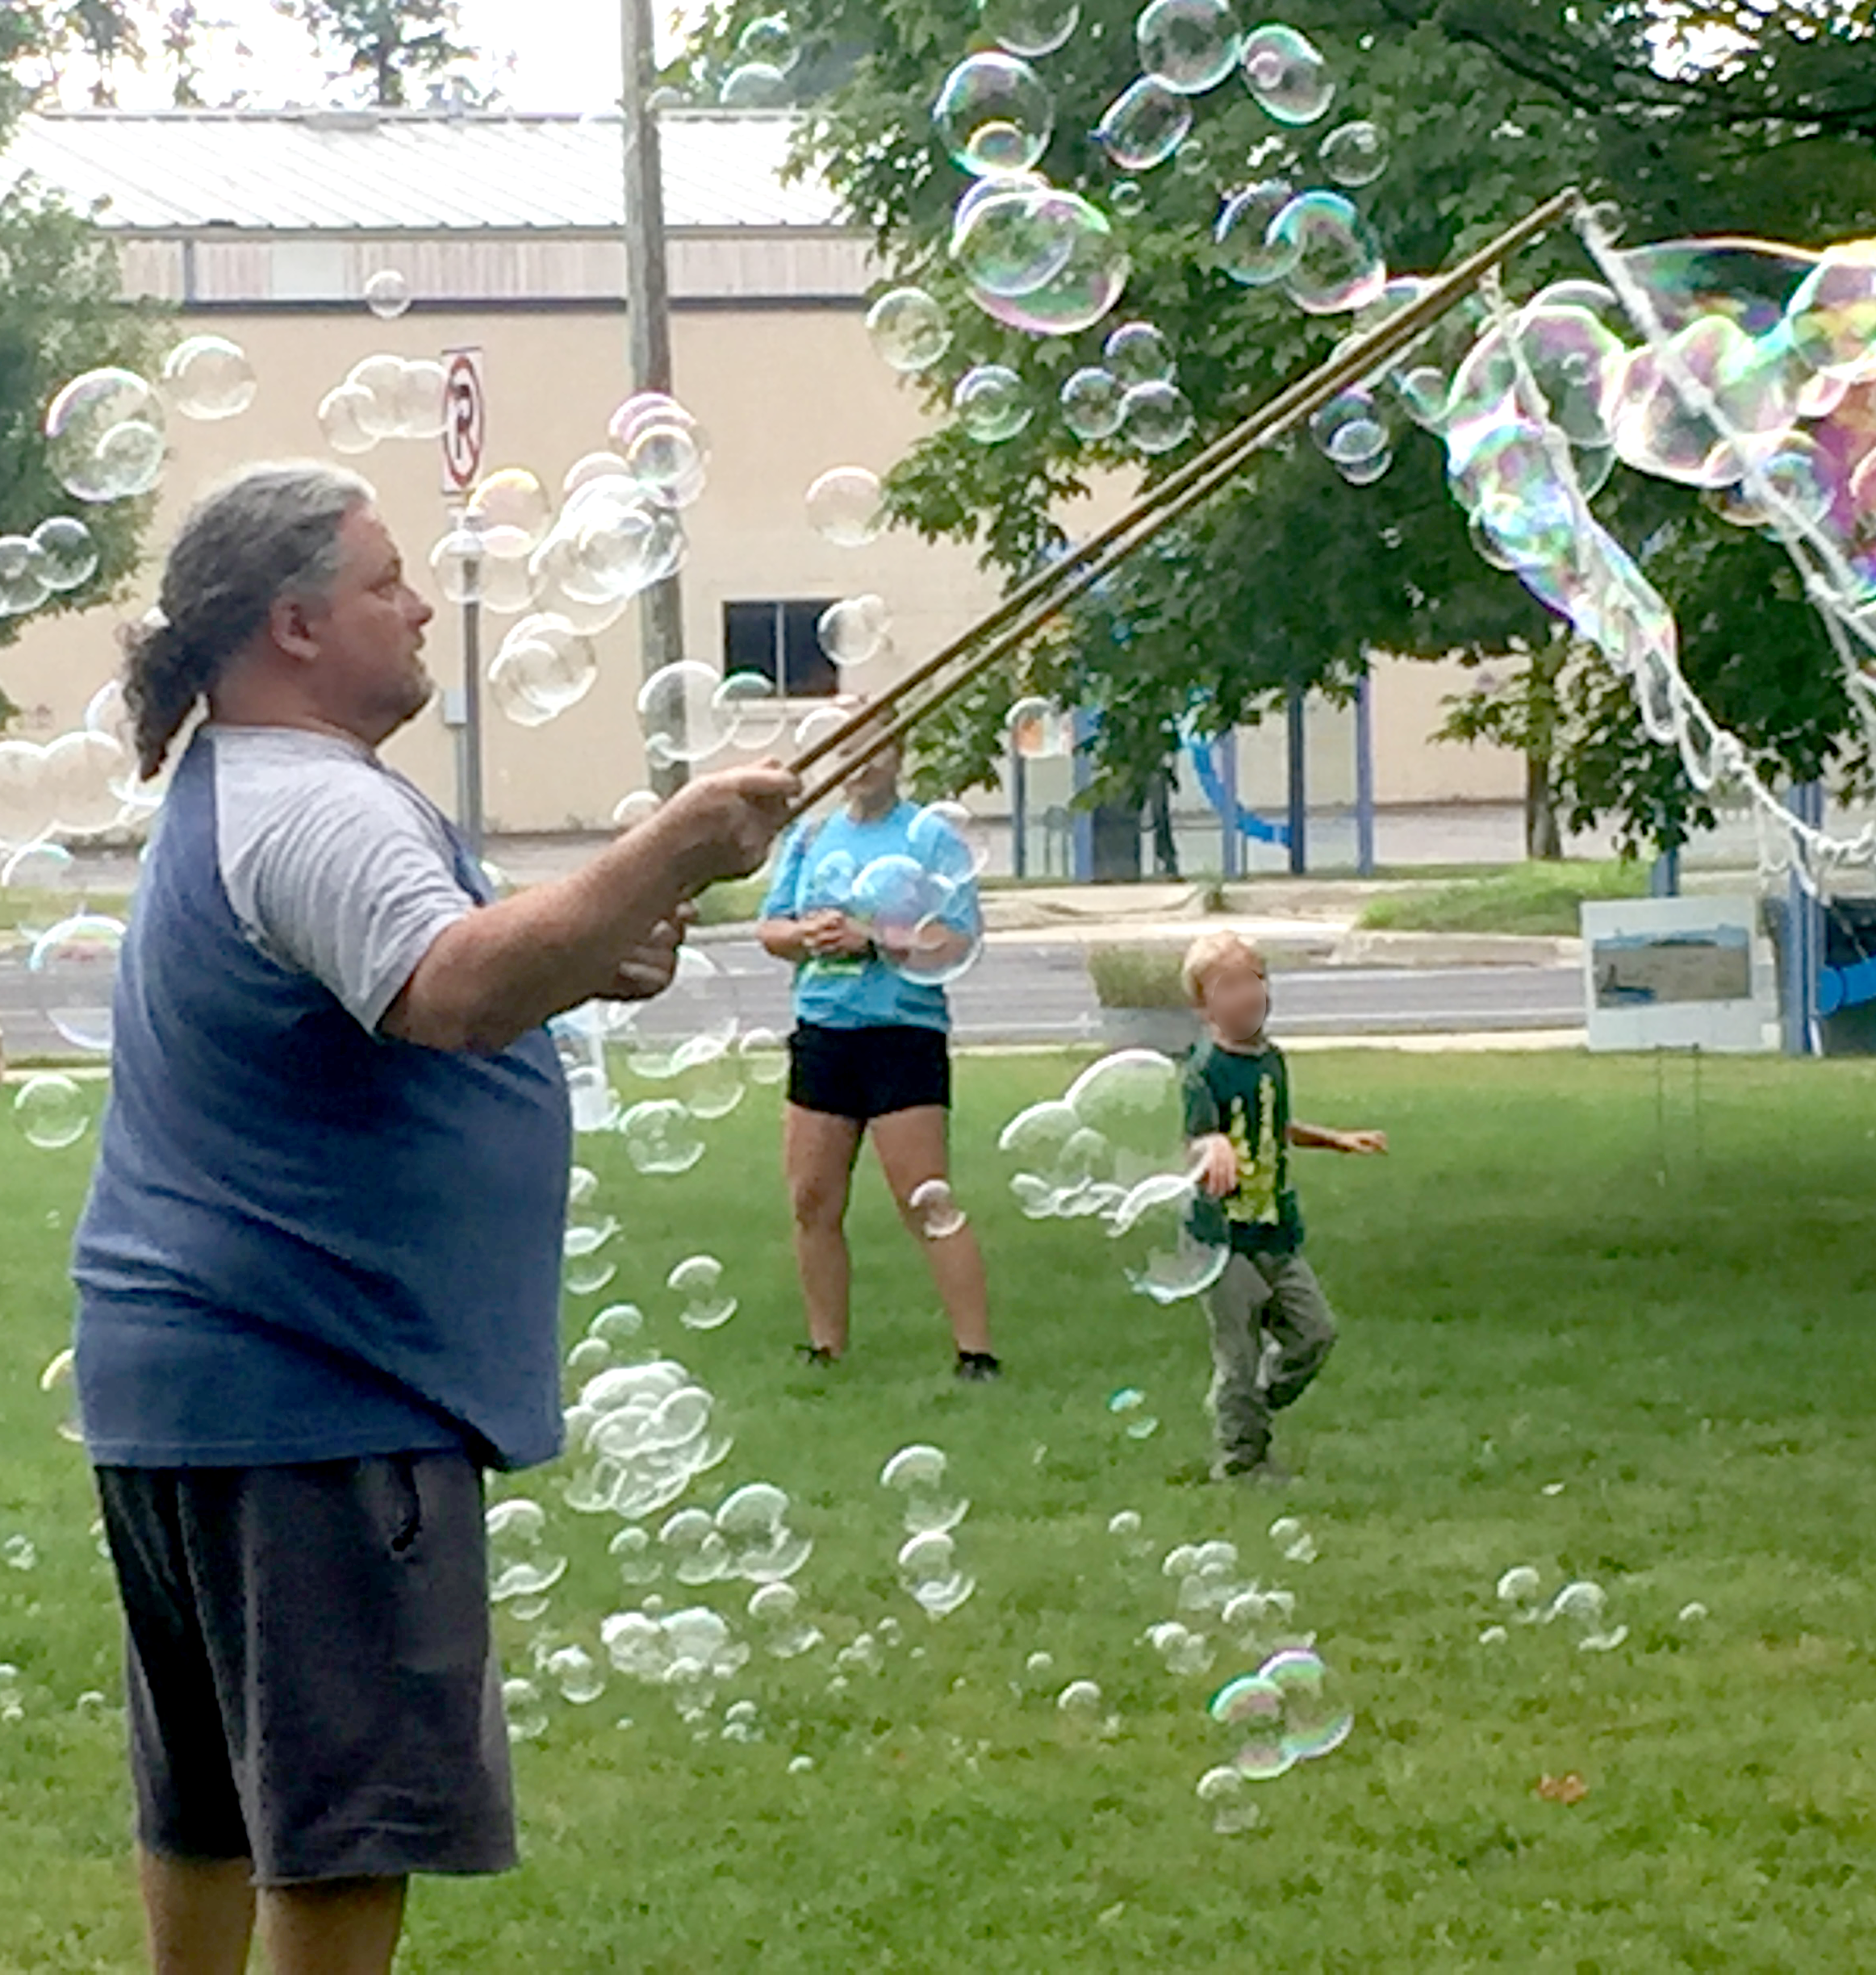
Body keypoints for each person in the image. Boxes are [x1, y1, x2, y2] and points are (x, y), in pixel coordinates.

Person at [69, 461, 796, 1975]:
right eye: (386, 579)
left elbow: (427, 977)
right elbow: (454, 985)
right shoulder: (314, 805)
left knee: (210, 1801)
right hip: (316, 1392)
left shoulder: (247, 786)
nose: (419, 607)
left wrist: (580, 950)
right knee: (340, 1837)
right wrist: (669, 846)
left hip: (197, 1386)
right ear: (294, 624)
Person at [756, 735, 998, 1379]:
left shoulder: (926, 838)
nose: (860, 761)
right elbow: (770, 928)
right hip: (822, 1032)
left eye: (875, 744)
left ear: (898, 751)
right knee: (811, 1199)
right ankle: (825, 1348)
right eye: (847, 747)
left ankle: (975, 1353)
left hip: (901, 1033)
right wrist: (807, 937)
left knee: (924, 1198)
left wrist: (874, 940)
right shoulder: (810, 838)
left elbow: (956, 938)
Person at [1180, 930, 1387, 1484]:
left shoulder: (1271, 1060)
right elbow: (1190, 1141)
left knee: (1314, 1333)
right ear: (1203, 1007)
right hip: (1223, 1241)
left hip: (1276, 1232)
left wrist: (1334, 1139)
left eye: (1254, 979)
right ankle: (1241, 1462)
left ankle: (1245, 1406)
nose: (1247, 992)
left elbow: (1275, 1125)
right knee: (1238, 1353)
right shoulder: (1201, 1070)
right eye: (1228, 985)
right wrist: (1212, 1145)